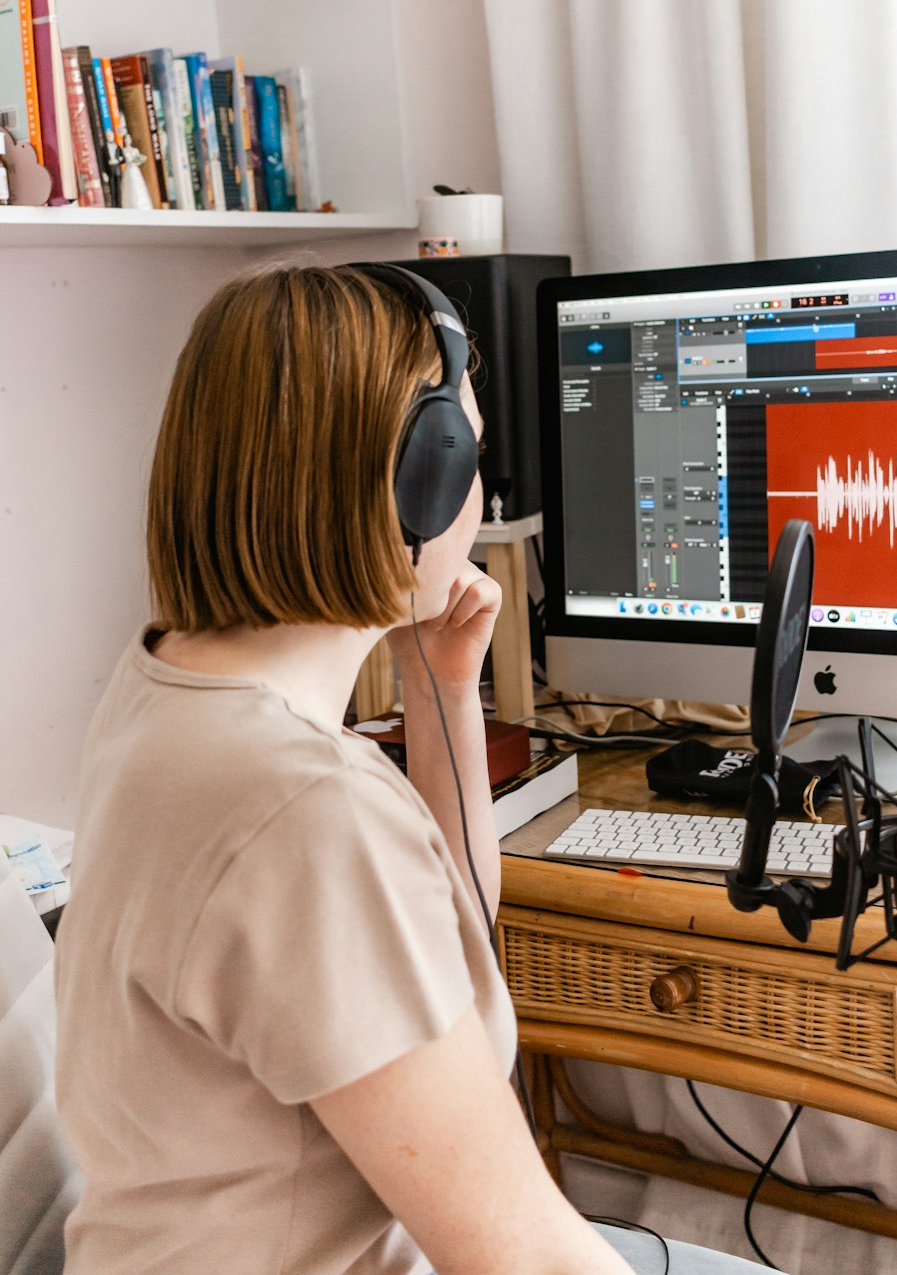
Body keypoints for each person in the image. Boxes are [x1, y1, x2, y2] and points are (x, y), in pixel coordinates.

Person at [53, 262, 636, 1275]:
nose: (483, 498)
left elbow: (448, 937)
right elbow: (528, 1260)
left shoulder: (165, 681)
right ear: (419, 482)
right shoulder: (306, 807)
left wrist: (442, 688)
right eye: (472, 463)